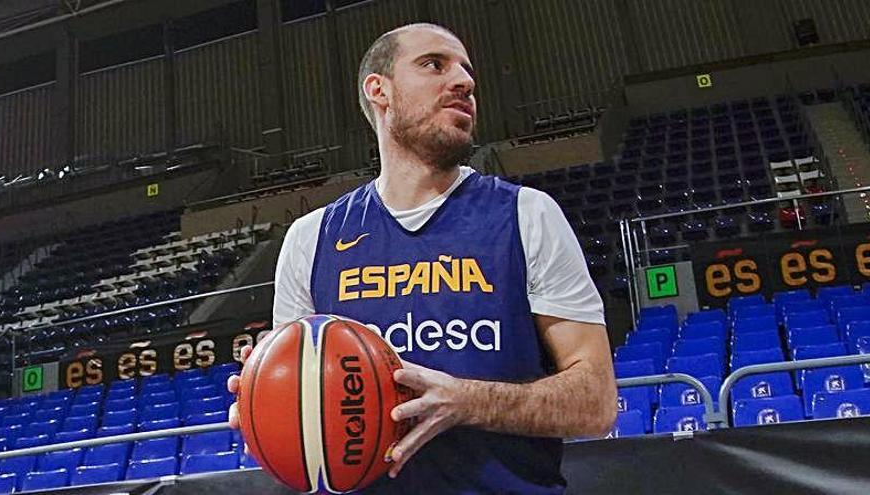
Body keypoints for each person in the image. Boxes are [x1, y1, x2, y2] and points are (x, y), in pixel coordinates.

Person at [228, 22, 617, 494]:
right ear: (380, 90)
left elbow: (595, 402)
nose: (464, 81)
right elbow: (305, 408)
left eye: (467, 71)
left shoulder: (526, 214)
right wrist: (265, 405)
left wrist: (467, 401)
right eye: (434, 65)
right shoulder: (312, 238)